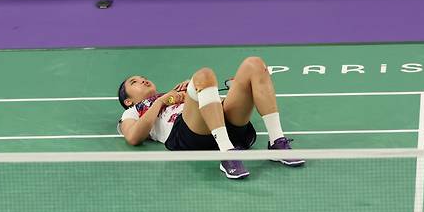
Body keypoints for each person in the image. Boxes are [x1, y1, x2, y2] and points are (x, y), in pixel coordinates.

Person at [116, 56, 304, 179]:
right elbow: (133, 137)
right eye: (134, 82)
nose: (141, 80)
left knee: (254, 64)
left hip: (223, 129)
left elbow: (215, 108)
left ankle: (277, 142)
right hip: (188, 136)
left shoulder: (175, 91)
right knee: (204, 74)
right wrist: (162, 101)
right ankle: (226, 153)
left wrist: (198, 89)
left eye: (142, 77)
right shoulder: (132, 112)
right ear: (128, 101)